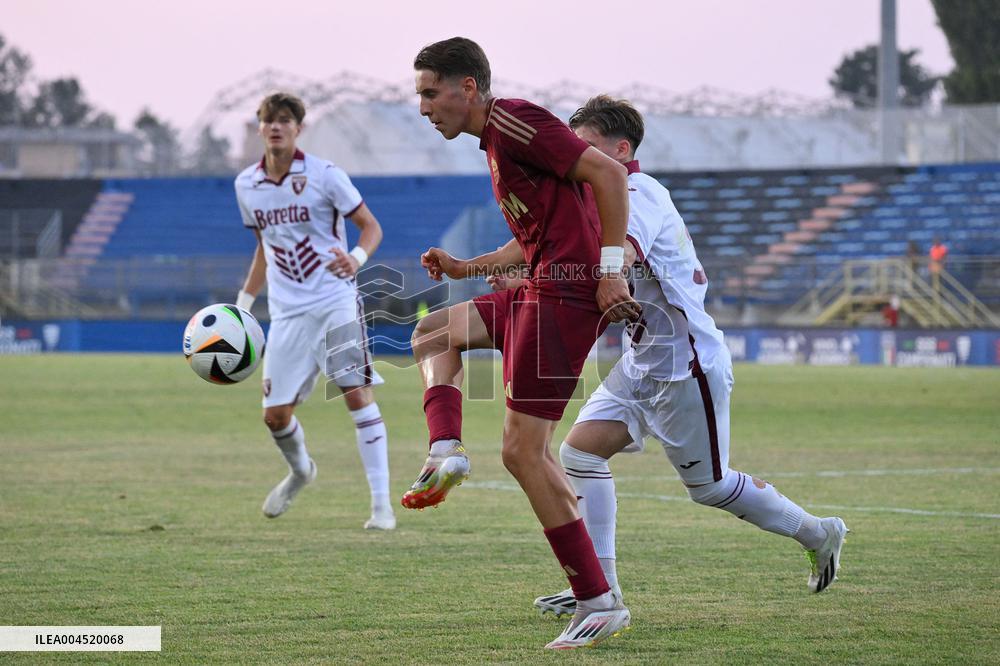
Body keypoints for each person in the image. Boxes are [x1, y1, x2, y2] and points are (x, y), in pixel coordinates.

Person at [495, 96, 846, 618]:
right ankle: (599, 587)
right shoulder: (597, 198)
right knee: (579, 454)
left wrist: (553, 280)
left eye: (586, 145)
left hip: (687, 363)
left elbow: (620, 257)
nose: (575, 155)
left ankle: (818, 532)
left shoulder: (638, 193)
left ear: (621, 150)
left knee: (710, 487)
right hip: (642, 361)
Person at [403, 37, 639, 649]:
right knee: (433, 332)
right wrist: (464, 268)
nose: (423, 107)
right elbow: (536, 235)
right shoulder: (495, 142)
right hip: (539, 287)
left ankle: (597, 600)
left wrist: (610, 271)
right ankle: (446, 450)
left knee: (523, 452)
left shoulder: (513, 120)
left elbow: (610, 173)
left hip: (564, 296)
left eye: (430, 93)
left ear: (468, 88)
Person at [234, 92, 395, 530]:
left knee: (356, 393)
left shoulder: (325, 175)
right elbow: (264, 249)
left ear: (298, 128)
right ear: (260, 127)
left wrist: (356, 258)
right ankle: (301, 471)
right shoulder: (246, 185)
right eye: (269, 120)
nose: (276, 126)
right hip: (286, 312)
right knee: (275, 416)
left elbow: (371, 226)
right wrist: (243, 306)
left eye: (285, 120)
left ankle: (381, 508)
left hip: (333, 300)